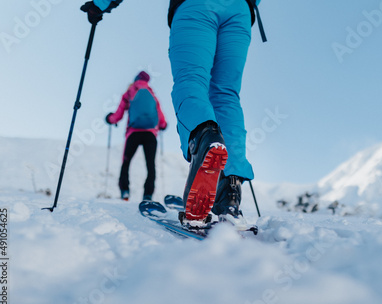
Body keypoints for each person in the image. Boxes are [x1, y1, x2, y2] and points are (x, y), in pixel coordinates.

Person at [82, 0, 264, 227]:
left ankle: (204, 139)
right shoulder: (150, 93)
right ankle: (229, 190)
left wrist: (100, 4)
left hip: (196, 6)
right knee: (226, 95)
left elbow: (120, 111)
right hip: (240, 12)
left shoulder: (132, 90)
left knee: (192, 79)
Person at [105, 71, 167, 201]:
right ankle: (148, 195)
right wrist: (163, 125)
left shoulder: (129, 92)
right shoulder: (152, 94)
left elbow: (118, 115)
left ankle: (125, 191)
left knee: (126, 163)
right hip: (150, 134)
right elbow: (161, 118)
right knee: (150, 165)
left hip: (134, 133)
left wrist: (110, 119)